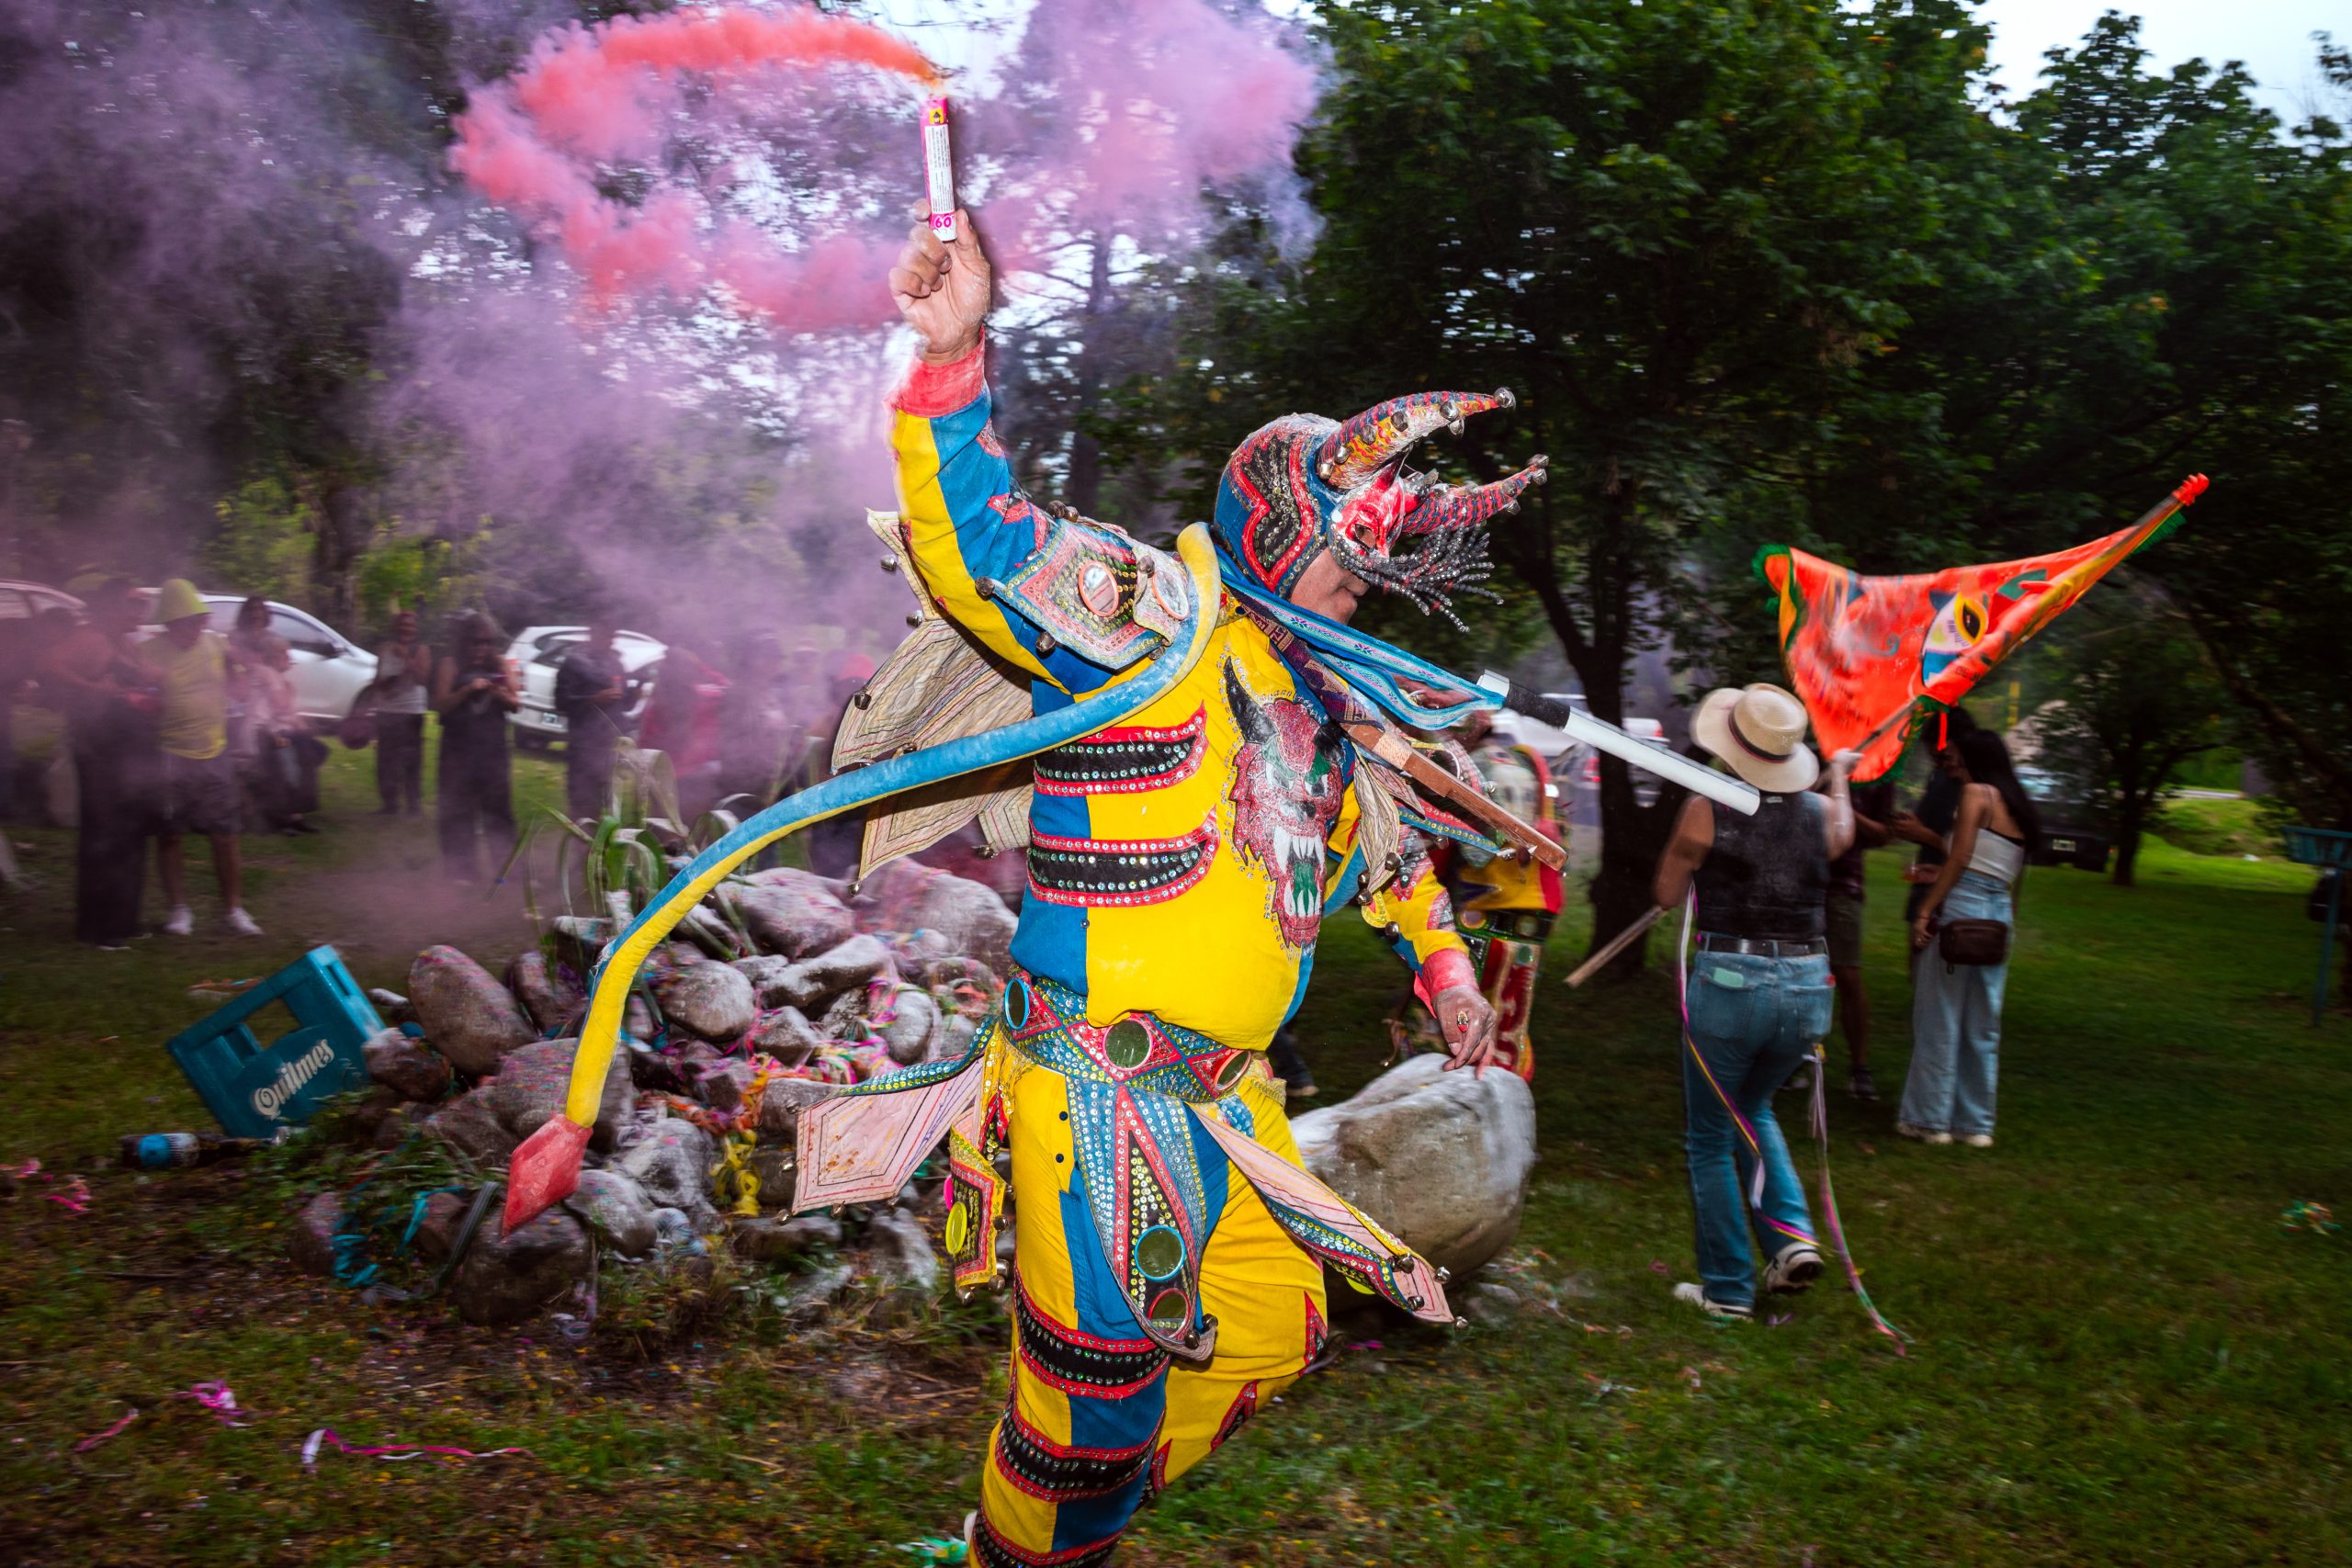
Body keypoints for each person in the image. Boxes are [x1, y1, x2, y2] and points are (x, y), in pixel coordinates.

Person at [874, 208, 1517, 1562]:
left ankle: (1054, 1525)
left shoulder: (1319, 710)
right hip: (1101, 1099)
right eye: (1344, 561)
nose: (1357, 594)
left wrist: (1449, 972)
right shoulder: (1147, 628)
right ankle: (1030, 1533)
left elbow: (1387, 862)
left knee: (1277, 1317)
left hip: (1232, 1109)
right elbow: (983, 546)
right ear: (1277, 530)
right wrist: (952, 357)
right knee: (1087, 1405)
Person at [1651, 682, 1856, 1321]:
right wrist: (1841, 775)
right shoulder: (1823, 815)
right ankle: (1790, 1239)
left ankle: (1729, 1289)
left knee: (1711, 1136)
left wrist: (1692, 860)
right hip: (1806, 986)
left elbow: (1664, 892)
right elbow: (1844, 831)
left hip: (1732, 983)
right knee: (1754, 1105)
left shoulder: (1705, 807)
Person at [1896, 728, 2038, 1148]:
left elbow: (1960, 858)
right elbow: (1994, 867)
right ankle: (1975, 1126)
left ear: (1976, 756)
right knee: (1982, 1023)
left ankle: (1929, 1120)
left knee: (1939, 1013)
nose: (1950, 763)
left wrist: (1927, 908)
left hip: (1961, 909)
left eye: (1955, 755)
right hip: (1997, 915)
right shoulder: (2017, 802)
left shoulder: (1976, 793)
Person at [38, 578, 159, 948]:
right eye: (132, 603)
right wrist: (91, 689)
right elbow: (47, 663)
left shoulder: (125, 642)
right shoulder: (92, 637)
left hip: (128, 748)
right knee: (106, 833)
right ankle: (99, 928)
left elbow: (146, 680)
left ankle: (124, 919)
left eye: (142, 604)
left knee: (131, 832)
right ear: (110, 605)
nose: (140, 610)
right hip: (99, 747)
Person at [1448, 708, 1565, 1080]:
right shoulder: (1528, 761)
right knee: (1514, 1012)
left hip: (1482, 910)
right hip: (1533, 911)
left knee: (1466, 1012)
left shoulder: (1467, 769)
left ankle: (1471, 1092)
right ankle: (1510, 1083)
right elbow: (1558, 834)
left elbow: (1475, 851)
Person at [144, 579, 261, 936]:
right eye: (189, 622)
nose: (197, 628)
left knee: (225, 835)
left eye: (199, 620)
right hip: (170, 753)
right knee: (171, 835)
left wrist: (242, 681)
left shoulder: (214, 643)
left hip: (215, 752)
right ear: (171, 623)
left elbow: (238, 674)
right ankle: (179, 911)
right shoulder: (149, 652)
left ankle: (234, 910)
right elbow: (141, 696)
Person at [432, 612, 519, 882]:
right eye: (476, 642)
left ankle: (505, 871)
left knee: (498, 810)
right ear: (464, 641)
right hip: (458, 750)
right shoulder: (450, 664)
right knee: (457, 809)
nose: (482, 648)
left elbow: (516, 703)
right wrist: (467, 690)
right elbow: (440, 706)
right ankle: (461, 871)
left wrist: (498, 693)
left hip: (492, 749)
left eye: (487, 642)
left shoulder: (500, 663)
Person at [1825, 776, 1895, 1100]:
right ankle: (1792, 1062)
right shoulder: (1809, 762)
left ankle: (1859, 1068)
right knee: (1798, 971)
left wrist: (1846, 809)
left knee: (1848, 974)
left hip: (1843, 886)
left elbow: (1883, 834)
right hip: (1799, 878)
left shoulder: (1877, 778)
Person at [554, 616, 632, 821]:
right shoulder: (574, 662)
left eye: (613, 636)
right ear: (593, 633)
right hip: (583, 750)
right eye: (607, 635)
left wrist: (634, 694)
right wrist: (593, 699)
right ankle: (582, 852)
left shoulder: (616, 663)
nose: (611, 641)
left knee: (609, 812)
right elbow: (561, 702)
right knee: (583, 809)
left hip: (609, 749)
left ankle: (605, 851)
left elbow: (622, 706)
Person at [370, 607, 432, 816]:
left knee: (411, 760)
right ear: (395, 627)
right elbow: (377, 678)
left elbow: (423, 679)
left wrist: (407, 658)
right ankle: (389, 804)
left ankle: (413, 805)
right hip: (386, 710)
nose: (406, 628)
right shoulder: (385, 648)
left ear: (415, 629)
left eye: (410, 625)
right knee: (385, 759)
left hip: (412, 711)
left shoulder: (421, 650)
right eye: (402, 624)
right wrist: (382, 685)